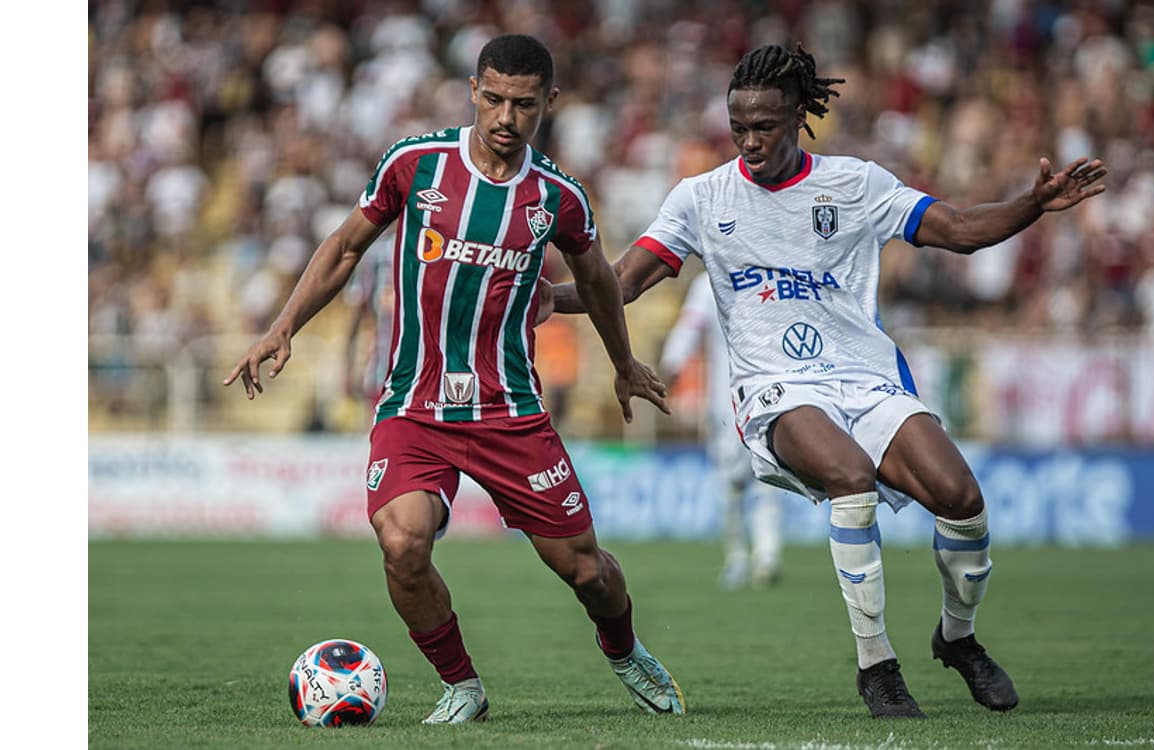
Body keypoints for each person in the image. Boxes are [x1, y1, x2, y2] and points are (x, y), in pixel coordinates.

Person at [550, 42, 1106, 719]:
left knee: (962, 499)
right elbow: (623, 280)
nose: (750, 142)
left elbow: (957, 230)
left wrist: (1031, 204)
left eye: (765, 127)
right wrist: (551, 296)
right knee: (849, 476)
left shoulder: (856, 184)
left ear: (798, 119)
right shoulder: (701, 198)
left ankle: (957, 641)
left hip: (866, 379)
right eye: (739, 129)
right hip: (775, 389)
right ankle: (877, 667)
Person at [225, 34, 686, 723]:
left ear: (548, 104)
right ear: (474, 90)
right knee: (403, 544)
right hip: (413, 406)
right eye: (493, 98)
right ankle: (462, 684)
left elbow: (595, 281)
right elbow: (346, 246)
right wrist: (284, 325)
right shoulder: (415, 164)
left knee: (587, 571)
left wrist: (623, 363)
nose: (505, 116)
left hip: (511, 412)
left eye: (523, 104)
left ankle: (624, 651)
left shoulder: (557, 197)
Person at [658, 270, 791, 590]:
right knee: (738, 482)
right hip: (730, 401)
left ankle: (764, 555)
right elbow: (689, 329)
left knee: (765, 477)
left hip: (760, 397)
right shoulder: (710, 283)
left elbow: (688, 329)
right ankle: (741, 557)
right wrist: (671, 367)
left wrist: (669, 368)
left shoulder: (763, 280)